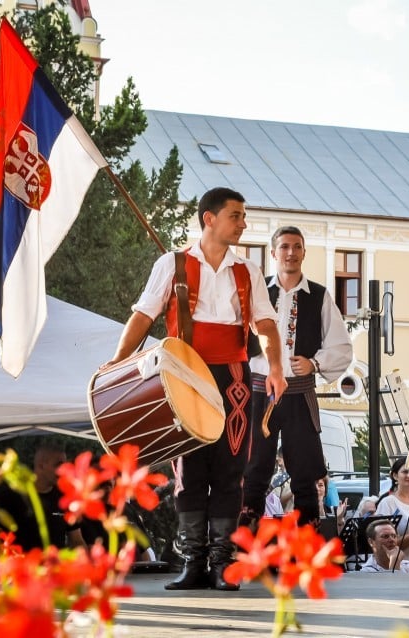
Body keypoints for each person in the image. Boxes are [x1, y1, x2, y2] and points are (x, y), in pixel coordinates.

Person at [104, 187, 288, 592]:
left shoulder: (249, 271)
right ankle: (194, 563)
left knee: (230, 470)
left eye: (243, 216)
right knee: (188, 472)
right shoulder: (171, 265)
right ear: (209, 219)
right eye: (236, 216)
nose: (243, 223)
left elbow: (266, 325)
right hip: (184, 376)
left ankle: (222, 564)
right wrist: (119, 359)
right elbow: (143, 315)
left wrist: (275, 367)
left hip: (235, 379)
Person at [242, 226, 354, 528]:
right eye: (284, 246)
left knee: (306, 472)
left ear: (304, 252)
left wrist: (315, 364)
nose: (290, 252)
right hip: (259, 392)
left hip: (298, 392)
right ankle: (240, 545)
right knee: (253, 469)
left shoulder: (318, 295)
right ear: (274, 252)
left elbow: (342, 346)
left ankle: (306, 542)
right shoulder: (257, 292)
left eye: (296, 246)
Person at [0, 442, 86, 551]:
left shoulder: (66, 498)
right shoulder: (9, 496)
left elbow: (76, 540)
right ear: (41, 465)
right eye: (58, 465)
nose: (63, 470)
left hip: (55, 567)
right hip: (20, 566)